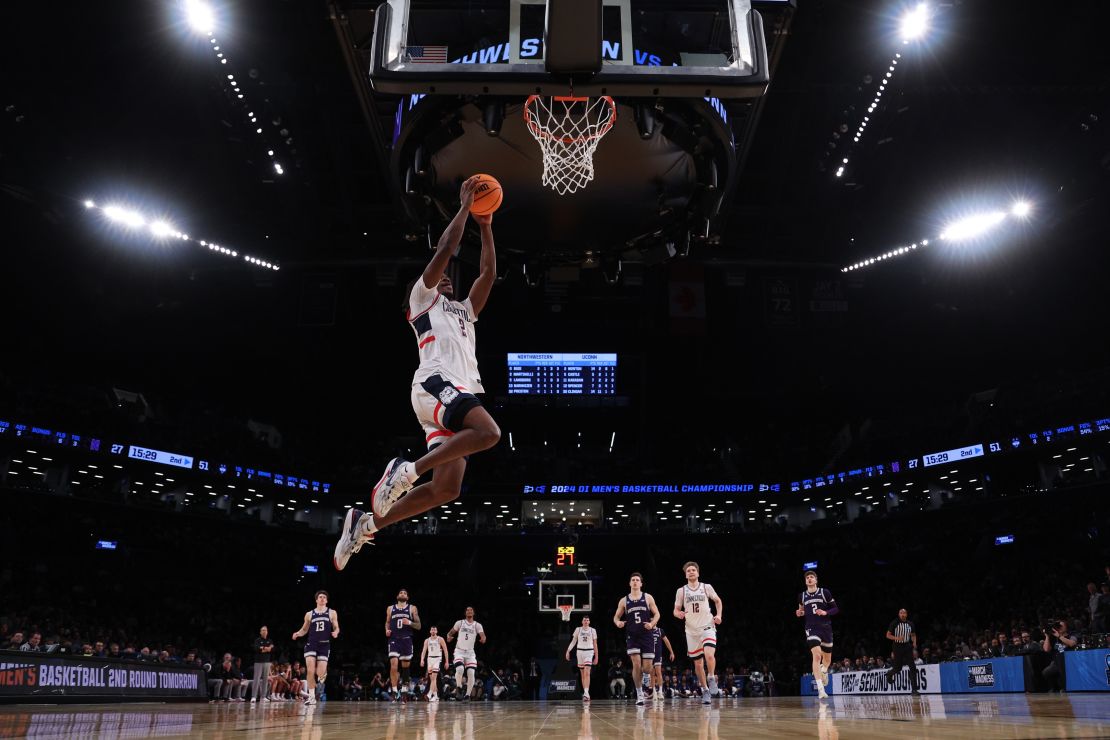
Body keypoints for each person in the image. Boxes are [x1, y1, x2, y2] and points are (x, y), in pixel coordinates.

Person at [334, 177, 501, 570]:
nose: (444, 276)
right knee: (490, 433)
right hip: (435, 383)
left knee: (447, 489)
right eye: (437, 275)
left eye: (447, 277)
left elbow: (488, 274)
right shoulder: (421, 301)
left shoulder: (464, 311)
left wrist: (487, 224)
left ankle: (367, 524)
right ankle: (406, 470)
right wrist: (464, 207)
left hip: (451, 393)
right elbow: (446, 248)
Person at [673, 562, 723, 704]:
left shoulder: (706, 587)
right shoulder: (681, 591)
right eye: (688, 570)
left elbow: (718, 601)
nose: (691, 572)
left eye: (693, 570)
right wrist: (678, 614)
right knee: (698, 665)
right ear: (685, 574)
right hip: (691, 631)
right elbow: (675, 610)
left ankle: (712, 677)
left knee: (709, 655)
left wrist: (719, 615)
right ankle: (705, 690)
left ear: (698, 573)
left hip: (707, 626)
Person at [614, 572, 662, 705]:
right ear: (630, 583)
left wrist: (652, 624)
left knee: (647, 668)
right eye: (633, 580)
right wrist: (618, 623)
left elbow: (657, 614)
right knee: (636, 664)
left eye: (637, 580)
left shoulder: (647, 597)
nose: (635, 582)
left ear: (641, 583)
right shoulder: (624, 600)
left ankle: (646, 676)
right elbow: (616, 617)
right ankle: (639, 694)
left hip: (646, 635)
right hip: (632, 635)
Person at [795, 570, 838, 700]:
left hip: (826, 629)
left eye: (811, 577)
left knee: (827, 661)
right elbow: (801, 610)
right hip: (811, 629)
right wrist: (800, 613)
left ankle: (823, 670)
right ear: (805, 581)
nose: (809, 579)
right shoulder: (801, 596)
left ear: (816, 580)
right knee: (817, 655)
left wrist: (825, 613)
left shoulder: (824, 592)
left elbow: (836, 609)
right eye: (807, 577)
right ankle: (821, 690)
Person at [292, 590, 339, 706]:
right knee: (310, 670)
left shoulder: (332, 612)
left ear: (326, 600)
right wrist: (297, 633)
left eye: (324, 597)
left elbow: (336, 627)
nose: (322, 598)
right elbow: (304, 630)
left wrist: (336, 632)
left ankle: (322, 676)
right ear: (316, 600)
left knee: (320, 672)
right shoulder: (309, 614)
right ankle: (311, 697)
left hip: (324, 645)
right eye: (320, 597)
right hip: (311, 644)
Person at [385, 588, 422, 700]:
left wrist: (410, 622)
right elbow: (387, 622)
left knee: (405, 667)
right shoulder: (390, 608)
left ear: (407, 598)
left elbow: (419, 626)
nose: (403, 594)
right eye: (401, 592)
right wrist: (386, 630)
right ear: (397, 596)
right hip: (394, 639)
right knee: (394, 664)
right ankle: (395, 690)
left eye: (405, 593)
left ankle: (405, 690)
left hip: (406, 639)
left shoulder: (412, 608)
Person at [446, 606, 486, 700]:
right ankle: (459, 687)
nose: (469, 611)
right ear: (465, 613)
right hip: (459, 651)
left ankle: (467, 695)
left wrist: (483, 639)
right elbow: (450, 633)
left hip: (470, 652)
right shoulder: (459, 623)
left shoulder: (477, 625)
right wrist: (448, 637)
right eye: (467, 610)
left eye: (471, 610)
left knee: (471, 672)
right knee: (460, 669)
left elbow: (483, 636)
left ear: (473, 613)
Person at [885, 608, 919, 694]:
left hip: (907, 645)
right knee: (898, 668)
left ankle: (914, 689)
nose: (903, 614)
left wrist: (914, 642)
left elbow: (913, 635)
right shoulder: (894, 623)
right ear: (899, 614)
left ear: (906, 614)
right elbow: (888, 635)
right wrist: (897, 638)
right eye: (901, 613)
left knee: (912, 666)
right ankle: (889, 674)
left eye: (904, 613)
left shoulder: (910, 624)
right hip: (897, 646)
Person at [565, 615, 599, 702]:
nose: (586, 621)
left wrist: (596, 656)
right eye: (584, 620)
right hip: (579, 652)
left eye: (587, 620)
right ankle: (585, 693)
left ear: (589, 622)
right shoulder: (578, 629)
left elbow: (595, 644)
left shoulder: (593, 630)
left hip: (589, 651)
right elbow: (573, 641)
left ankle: (586, 693)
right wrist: (568, 651)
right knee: (583, 674)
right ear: (582, 621)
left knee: (587, 672)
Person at [1041, 619, 1077, 692]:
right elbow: (1046, 649)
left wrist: (1060, 636)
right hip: (1056, 662)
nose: (1059, 627)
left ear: (1066, 627)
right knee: (1046, 672)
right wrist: (1047, 636)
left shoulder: (1071, 635)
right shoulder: (1054, 638)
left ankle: (1063, 688)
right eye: (1058, 626)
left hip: (1069, 662)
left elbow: (1072, 643)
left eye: (1061, 626)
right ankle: (1054, 688)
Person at [420, 625, 450, 702]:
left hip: (437, 659)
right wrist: (422, 660)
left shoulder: (440, 639)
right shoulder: (427, 640)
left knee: (434, 678)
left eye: (434, 630)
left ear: (436, 631)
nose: (433, 631)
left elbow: (446, 651)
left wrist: (447, 661)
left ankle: (429, 694)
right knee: (432, 679)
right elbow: (424, 651)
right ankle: (436, 696)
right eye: (432, 630)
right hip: (429, 659)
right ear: (430, 631)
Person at [650, 626, 676, 703]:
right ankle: (654, 692)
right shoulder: (647, 629)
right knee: (652, 674)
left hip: (658, 654)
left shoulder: (660, 630)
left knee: (658, 672)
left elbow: (666, 641)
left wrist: (671, 652)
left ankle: (660, 692)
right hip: (649, 653)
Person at [251, 625, 274, 703]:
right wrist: (265, 648)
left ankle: (263, 696)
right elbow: (256, 648)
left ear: (267, 632)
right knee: (256, 679)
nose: (264, 631)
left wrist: (263, 648)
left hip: (267, 662)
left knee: (265, 680)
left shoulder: (270, 640)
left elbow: (272, 648)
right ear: (260, 632)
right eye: (263, 630)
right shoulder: (257, 640)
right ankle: (253, 696)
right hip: (258, 662)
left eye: (266, 630)